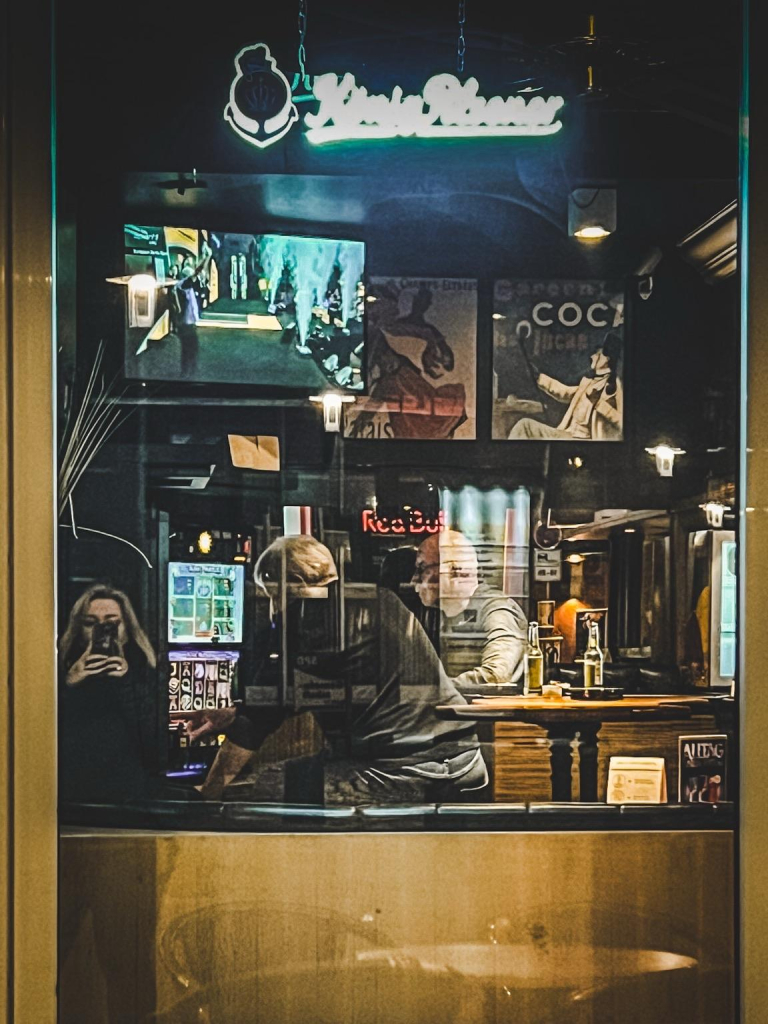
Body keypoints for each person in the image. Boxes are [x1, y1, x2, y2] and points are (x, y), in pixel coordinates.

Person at [183, 535, 487, 805]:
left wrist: (206, 798)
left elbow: (257, 723)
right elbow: (307, 692)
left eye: (270, 593)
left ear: (291, 583)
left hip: (405, 772)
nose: (271, 606)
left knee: (264, 785)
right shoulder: (381, 599)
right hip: (465, 760)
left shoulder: (302, 621)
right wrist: (234, 713)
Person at [59, 585, 157, 803]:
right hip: (71, 791)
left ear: (127, 627)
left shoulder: (143, 667)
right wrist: (68, 684)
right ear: (78, 628)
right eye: (90, 623)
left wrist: (126, 683)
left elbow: (152, 739)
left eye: (111, 623)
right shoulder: (58, 666)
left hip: (128, 791)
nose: (102, 630)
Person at [412, 529, 527, 688]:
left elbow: (496, 675)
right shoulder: (438, 616)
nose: (413, 580)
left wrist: (434, 690)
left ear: (453, 570)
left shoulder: (496, 610)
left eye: (422, 568)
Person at [509, 332, 623, 441]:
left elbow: (622, 423)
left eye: (598, 353)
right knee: (524, 426)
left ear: (607, 359)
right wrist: (539, 377)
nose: (593, 356)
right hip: (568, 434)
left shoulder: (616, 385)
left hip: (589, 441)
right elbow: (564, 392)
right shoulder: (587, 382)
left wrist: (598, 403)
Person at [171, 241, 212, 379]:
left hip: (186, 324)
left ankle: (187, 372)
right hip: (186, 325)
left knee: (189, 350)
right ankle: (187, 374)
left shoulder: (183, 286)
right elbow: (197, 271)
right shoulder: (184, 285)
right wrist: (206, 257)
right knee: (190, 349)